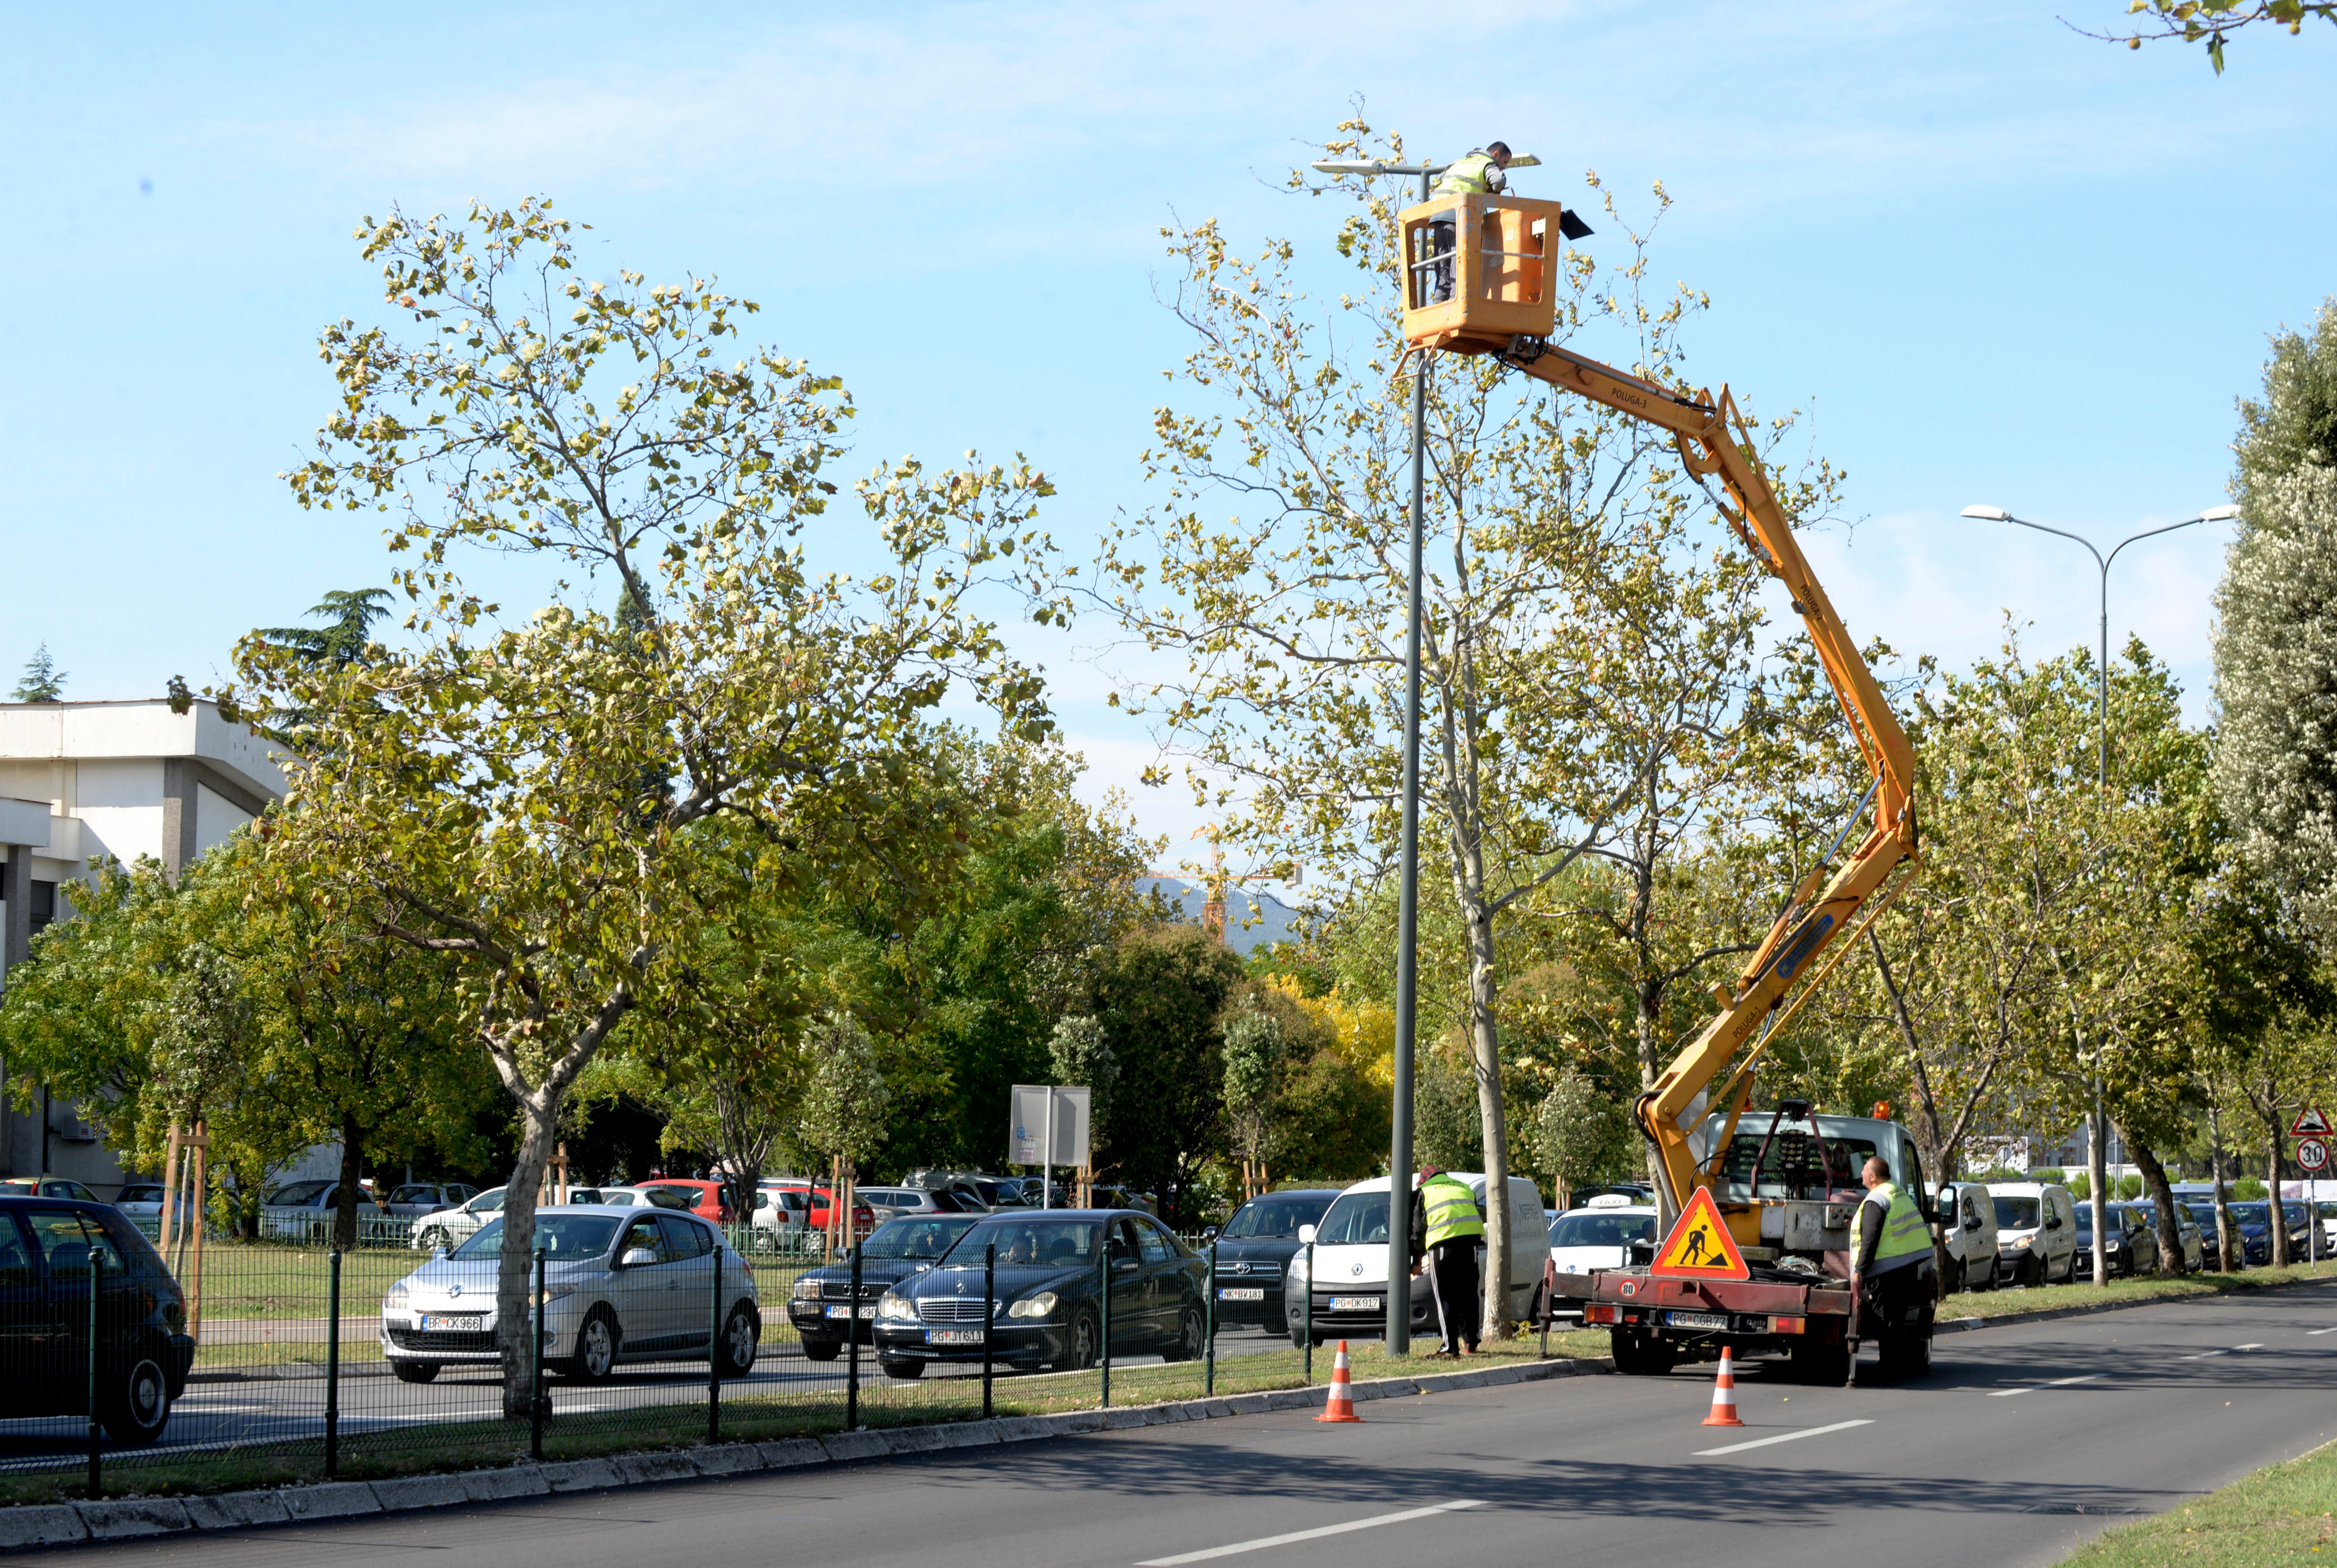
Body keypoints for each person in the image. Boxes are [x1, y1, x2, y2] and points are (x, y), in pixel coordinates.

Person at [1850, 1155, 1934, 1365]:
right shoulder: (1898, 1193)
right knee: (1896, 1320)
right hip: (1905, 1267)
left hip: (1885, 1270)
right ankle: (1892, 1367)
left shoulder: (1876, 1200)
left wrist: (1859, 1271)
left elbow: (1870, 1240)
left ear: (1873, 1177)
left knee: (1885, 1321)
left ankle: (1888, 1369)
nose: (1861, 1173)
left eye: (1864, 1171)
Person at [1423, 142, 1513, 304]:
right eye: (1505, 162)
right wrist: (1491, 191)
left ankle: (1439, 306)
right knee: (1459, 266)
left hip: (1438, 216)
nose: (1504, 167)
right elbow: (1499, 181)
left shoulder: (1461, 163)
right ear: (1496, 154)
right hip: (1459, 216)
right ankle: (1454, 306)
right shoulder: (1487, 164)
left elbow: (1443, 177)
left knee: (1443, 270)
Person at [1408, 1168, 1486, 1356]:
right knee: (1469, 1296)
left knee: (1445, 1298)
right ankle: (1471, 1342)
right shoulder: (1465, 1188)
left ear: (1424, 1180)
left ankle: (1449, 1347)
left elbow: (1418, 1230)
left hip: (1443, 1248)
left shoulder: (1424, 1192)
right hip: (1470, 1248)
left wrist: (1417, 1261)